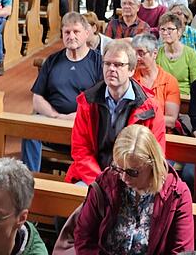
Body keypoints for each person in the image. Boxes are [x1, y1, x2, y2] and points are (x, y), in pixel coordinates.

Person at [73, 124, 194, 254]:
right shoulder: (106, 182)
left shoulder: (177, 194)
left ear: (152, 165)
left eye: (133, 172)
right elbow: (83, 237)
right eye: (119, 168)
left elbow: (182, 251)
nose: (124, 178)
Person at [66, 39, 166, 184]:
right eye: (107, 63)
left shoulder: (150, 108)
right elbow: (81, 150)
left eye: (118, 65)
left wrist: (127, 181)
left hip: (134, 180)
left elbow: (155, 155)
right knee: (78, 197)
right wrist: (102, 182)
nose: (111, 68)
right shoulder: (87, 102)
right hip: (94, 177)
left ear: (131, 70)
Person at [21, 12, 102, 172]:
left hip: (83, 127)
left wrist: (77, 117)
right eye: (67, 32)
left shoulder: (98, 62)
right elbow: (38, 99)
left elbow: (100, 103)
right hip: (53, 122)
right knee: (30, 129)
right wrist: (56, 116)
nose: (71, 36)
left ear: (87, 33)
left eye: (76, 31)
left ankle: (84, 185)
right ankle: (29, 181)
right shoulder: (52, 60)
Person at [132, 33, 181, 131]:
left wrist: (143, 118)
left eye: (141, 53)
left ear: (154, 53)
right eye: (135, 53)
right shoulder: (130, 78)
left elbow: (171, 120)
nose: (137, 58)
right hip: (134, 130)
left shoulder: (169, 81)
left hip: (161, 132)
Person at [156, 13, 196, 98]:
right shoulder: (157, 53)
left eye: (170, 29)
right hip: (162, 96)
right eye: (162, 29)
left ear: (179, 32)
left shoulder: (190, 53)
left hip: (184, 97)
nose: (165, 33)